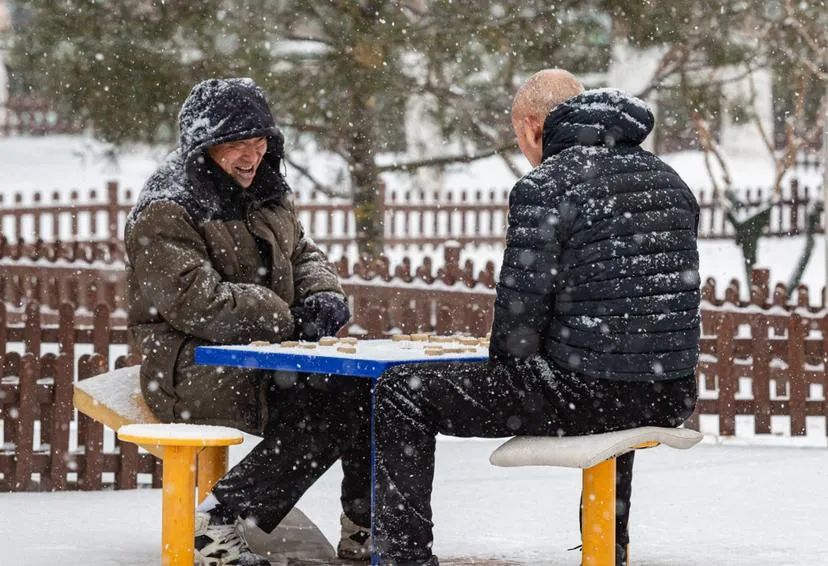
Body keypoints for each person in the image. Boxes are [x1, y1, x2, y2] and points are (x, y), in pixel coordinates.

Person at [373, 69, 700, 566]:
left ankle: (404, 558)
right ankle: (610, 548)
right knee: (620, 364)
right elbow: (639, 313)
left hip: (591, 394)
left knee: (401, 392)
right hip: (670, 393)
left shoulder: (547, 184)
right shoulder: (668, 180)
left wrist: (508, 376)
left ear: (531, 127)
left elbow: (519, 322)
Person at [125, 78, 371, 565]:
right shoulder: (165, 209)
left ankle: (366, 525)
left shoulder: (266, 191)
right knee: (326, 406)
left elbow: (303, 253)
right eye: (237, 143)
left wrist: (323, 296)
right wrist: (286, 319)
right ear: (204, 146)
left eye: (260, 142)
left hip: (263, 353)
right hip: (193, 365)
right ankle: (217, 523)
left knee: (362, 391)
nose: (251, 156)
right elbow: (197, 301)